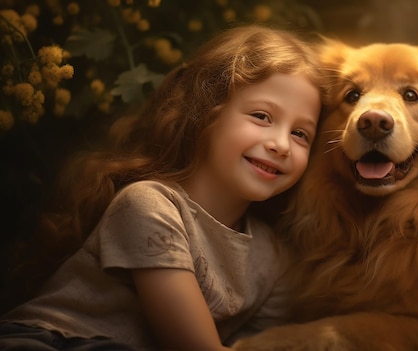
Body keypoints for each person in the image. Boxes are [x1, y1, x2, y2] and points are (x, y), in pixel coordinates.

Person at [0, 24, 324, 350]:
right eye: (262, 116)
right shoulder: (148, 205)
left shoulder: (275, 258)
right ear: (207, 110)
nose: (282, 144)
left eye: (301, 134)